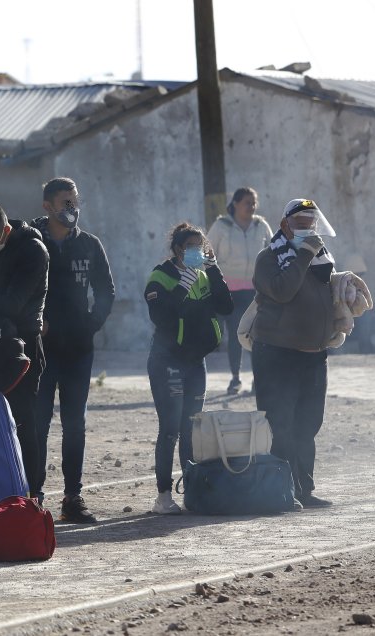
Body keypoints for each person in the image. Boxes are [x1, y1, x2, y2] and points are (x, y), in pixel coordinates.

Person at [29, 177, 114, 523]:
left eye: (74, 202)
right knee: (37, 424)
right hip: (41, 350)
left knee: (74, 424)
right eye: (65, 203)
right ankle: (33, 496)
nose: (71, 209)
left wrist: (89, 324)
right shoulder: (30, 242)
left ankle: (72, 497)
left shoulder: (89, 245)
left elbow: (106, 291)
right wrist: (33, 322)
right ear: (47, 206)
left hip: (78, 350)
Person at [250, 198, 338, 508]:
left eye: (312, 220)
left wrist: (344, 293)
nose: (308, 226)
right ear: (284, 224)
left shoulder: (320, 258)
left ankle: (304, 490)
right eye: (300, 220)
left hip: (313, 353)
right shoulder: (270, 258)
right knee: (281, 424)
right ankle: (280, 492)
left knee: (308, 423)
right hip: (276, 353)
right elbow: (284, 290)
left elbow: (324, 294)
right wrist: (302, 255)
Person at [144, 223, 232, 514]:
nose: (199, 251)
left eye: (202, 246)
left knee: (192, 430)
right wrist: (182, 283)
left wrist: (215, 269)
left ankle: (192, 492)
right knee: (170, 430)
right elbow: (163, 318)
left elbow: (226, 306)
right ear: (179, 249)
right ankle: (163, 496)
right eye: (193, 246)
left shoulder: (206, 274)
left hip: (196, 362)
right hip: (167, 360)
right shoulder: (162, 275)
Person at [0, 202, 49, 498]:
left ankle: (33, 493)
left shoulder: (32, 251)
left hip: (22, 348)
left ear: (4, 231)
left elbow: (14, 304)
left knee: (23, 420)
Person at [207, 187, 273, 394]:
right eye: (247, 202)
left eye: (254, 202)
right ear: (235, 204)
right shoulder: (220, 226)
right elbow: (207, 255)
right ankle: (235, 378)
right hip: (230, 292)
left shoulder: (261, 226)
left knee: (258, 336)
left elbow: (273, 252)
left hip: (255, 291)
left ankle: (258, 379)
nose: (251, 206)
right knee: (237, 334)